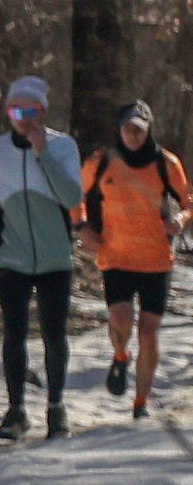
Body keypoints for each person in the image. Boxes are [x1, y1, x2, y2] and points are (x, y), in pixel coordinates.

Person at [0, 76, 84, 439]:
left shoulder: (63, 147)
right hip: (12, 256)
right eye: (17, 111)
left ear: (43, 112)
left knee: (54, 334)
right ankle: (16, 410)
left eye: (31, 111)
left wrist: (42, 153)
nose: (24, 118)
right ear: (8, 113)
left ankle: (56, 407)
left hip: (55, 257)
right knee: (14, 334)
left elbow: (71, 196)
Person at [77, 99, 189, 420]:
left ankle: (141, 402)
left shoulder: (166, 163)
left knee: (150, 334)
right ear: (119, 129)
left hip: (156, 260)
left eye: (138, 129)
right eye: (127, 128)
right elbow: (77, 197)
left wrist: (181, 218)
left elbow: (187, 199)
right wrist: (83, 228)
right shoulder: (101, 162)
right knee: (123, 321)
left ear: (148, 129)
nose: (132, 135)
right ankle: (120, 355)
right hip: (116, 257)